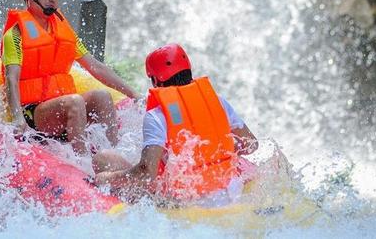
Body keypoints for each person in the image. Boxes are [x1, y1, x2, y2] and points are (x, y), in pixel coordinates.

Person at [93, 43, 258, 203]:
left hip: (185, 202)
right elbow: (251, 145)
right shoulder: (218, 102)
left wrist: (106, 178)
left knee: (103, 159)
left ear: (156, 81)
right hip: (229, 192)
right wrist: (215, 153)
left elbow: (146, 174)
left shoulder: (157, 116)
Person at [1, 0, 140, 154]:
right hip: (33, 112)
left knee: (103, 97)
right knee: (74, 102)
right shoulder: (15, 35)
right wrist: (18, 118)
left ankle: (113, 154)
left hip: (61, 106)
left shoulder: (63, 33)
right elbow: (11, 78)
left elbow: (95, 66)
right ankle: (82, 163)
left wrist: (135, 95)